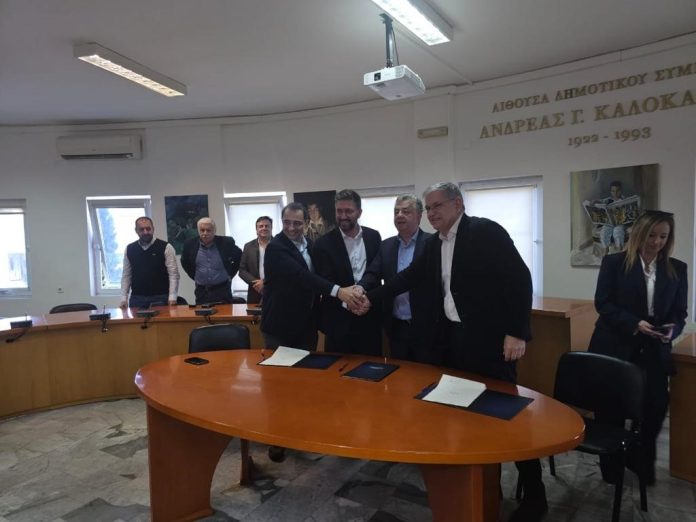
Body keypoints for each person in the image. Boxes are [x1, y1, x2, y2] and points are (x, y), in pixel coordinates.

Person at [361, 182, 546, 521]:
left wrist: (517, 332)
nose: (431, 213)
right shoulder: (435, 243)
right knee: (466, 417)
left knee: (509, 418)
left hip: (492, 344)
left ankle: (535, 496)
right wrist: (369, 298)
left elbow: (520, 279)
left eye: (437, 206)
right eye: (428, 208)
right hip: (453, 342)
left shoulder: (485, 232)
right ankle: (487, 486)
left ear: (457, 203)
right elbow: (407, 278)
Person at [588, 210, 687, 485]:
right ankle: (612, 469)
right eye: (651, 235)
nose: (657, 242)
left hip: (654, 347)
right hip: (615, 345)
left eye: (663, 236)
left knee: (656, 405)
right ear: (638, 234)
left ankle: (638, 456)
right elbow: (603, 303)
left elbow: (680, 312)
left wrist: (673, 329)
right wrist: (634, 323)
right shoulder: (614, 263)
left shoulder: (677, 268)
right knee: (611, 407)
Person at [261, 202, 364, 352]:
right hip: (280, 327)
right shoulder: (275, 247)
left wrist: (352, 290)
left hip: (307, 325)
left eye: (297, 223)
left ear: (306, 222)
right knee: (280, 367)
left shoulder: (309, 244)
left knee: (308, 366)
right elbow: (301, 276)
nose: (291, 228)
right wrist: (340, 292)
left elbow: (322, 274)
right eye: (286, 222)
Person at [359, 194, 431, 361]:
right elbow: (373, 273)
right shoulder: (386, 245)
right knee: (400, 373)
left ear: (419, 216)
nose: (399, 215)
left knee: (426, 373)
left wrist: (370, 298)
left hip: (425, 327)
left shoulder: (432, 243)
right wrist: (360, 287)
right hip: (396, 326)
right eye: (396, 211)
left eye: (406, 211)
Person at [313, 189, 382, 356]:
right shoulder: (322, 244)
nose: (343, 216)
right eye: (339, 211)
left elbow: (376, 272)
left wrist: (363, 299)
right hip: (338, 323)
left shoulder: (373, 237)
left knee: (372, 368)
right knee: (337, 370)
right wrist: (351, 301)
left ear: (359, 212)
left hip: (369, 319)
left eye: (348, 211)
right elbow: (324, 280)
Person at [120, 216, 179, 309]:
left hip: (161, 298)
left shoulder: (166, 247)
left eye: (148, 229)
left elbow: (173, 274)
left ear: (153, 229)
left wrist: (172, 297)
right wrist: (124, 298)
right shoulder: (130, 249)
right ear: (136, 231)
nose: (145, 232)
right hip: (137, 299)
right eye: (141, 229)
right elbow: (126, 275)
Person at [181, 217, 242, 305]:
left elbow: (239, 257)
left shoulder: (226, 242)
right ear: (198, 231)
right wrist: (195, 276)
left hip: (222, 289)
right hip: (202, 291)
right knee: (202, 313)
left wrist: (230, 274)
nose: (205, 233)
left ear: (214, 231)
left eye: (208, 230)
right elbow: (185, 262)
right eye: (202, 230)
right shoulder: (190, 244)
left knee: (225, 313)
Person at [239, 216, 273, 305]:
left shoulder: (280, 245)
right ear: (256, 230)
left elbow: (283, 270)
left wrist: (264, 282)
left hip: (275, 291)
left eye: (267, 226)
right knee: (254, 314)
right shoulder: (248, 246)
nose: (264, 228)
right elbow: (242, 270)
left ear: (271, 228)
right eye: (261, 226)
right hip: (255, 292)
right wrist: (257, 284)